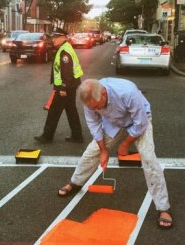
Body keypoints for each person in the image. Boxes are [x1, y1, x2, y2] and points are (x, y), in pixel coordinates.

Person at [57, 78, 173, 229]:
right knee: (92, 152)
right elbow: (93, 124)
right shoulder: (90, 100)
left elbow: (141, 123)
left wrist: (125, 144)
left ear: (103, 94)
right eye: (92, 107)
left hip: (137, 120)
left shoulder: (128, 92)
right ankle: (76, 182)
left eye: (97, 106)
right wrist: (104, 150)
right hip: (113, 121)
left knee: (148, 158)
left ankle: (163, 208)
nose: (95, 109)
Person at [34, 29, 84, 143]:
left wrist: (63, 87)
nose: (53, 39)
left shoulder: (64, 51)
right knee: (71, 110)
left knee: (54, 111)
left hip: (65, 87)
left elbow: (67, 71)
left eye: (56, 37)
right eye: (53, 37)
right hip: (71, 85)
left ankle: (47, 136)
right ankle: (77, 136)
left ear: (64, 37)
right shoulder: (64, 48)